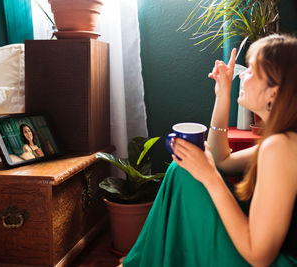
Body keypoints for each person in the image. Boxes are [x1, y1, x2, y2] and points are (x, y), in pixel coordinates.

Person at [121, 34, 297, 267]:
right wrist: (223, 94)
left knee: (185, 172)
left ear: (273, 93)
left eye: (253, 71)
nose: (243, 74)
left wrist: (210, 176)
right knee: (182, 169)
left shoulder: (281, 147)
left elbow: (259, 257)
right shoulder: (282, 141)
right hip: (257, 247)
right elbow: (221, 159)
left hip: (271, 260)